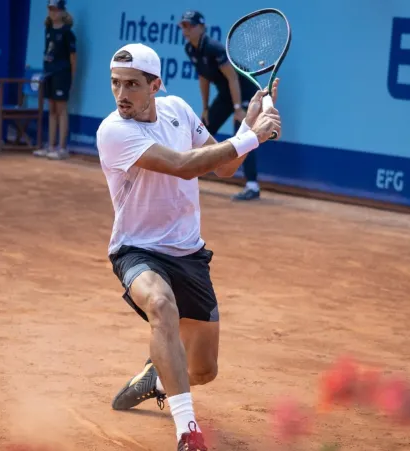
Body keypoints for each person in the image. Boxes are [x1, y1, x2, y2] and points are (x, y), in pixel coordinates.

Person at [96, 43, 282, 451]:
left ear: (155, 85)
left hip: (189, 254)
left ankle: (156, 378)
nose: (121, 94)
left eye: (131, 84)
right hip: (137, 250)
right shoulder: (113, 131)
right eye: (114, 84)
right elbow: (184, 167)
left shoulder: (178, 110)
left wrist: (247, 128)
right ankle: (188, 433)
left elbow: (223, 166)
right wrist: (252, 137)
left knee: (204, 369)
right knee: (160, 304)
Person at [180, 10, 262, 201]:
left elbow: (233, 77)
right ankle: (191, 173)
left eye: (190, 25)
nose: (186, 30)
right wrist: (206, 108)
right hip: (226, 94)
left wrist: (238, 108)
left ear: (201, 28)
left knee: (244, 136)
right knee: (203, 129)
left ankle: (252, 186)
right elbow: (203, 78)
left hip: (245, 92)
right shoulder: (190, 49)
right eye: (184, 26)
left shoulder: (214, 48)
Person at [33, 0, 76, 160]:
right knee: (51, 109)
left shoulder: (68, 33)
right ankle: (50, 146)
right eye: (50, 9)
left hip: (62, 75)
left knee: (61, 110)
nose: (53, 12)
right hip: (49, 74)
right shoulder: (48, 30)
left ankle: (62, 148)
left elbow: (73, 59)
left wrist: (71, 78)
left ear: (63, 12)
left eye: (56, 10)